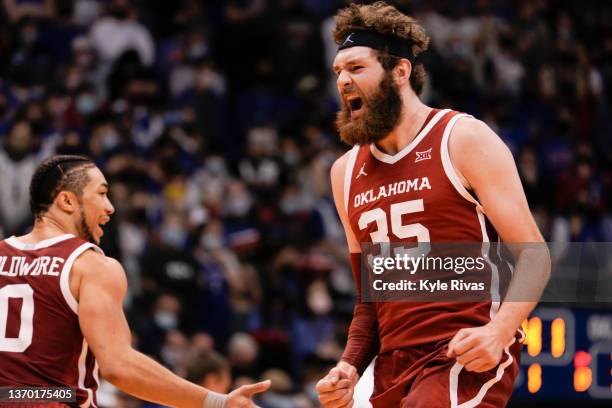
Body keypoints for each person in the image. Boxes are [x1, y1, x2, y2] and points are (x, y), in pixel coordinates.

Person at [316, 2, 550, 408]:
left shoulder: (461, 138)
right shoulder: (344, 173)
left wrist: (498, 332)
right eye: (338, 71)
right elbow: (369, 300)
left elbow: (535, 255)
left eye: (356, 68)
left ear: (400, 72)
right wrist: (350, 366)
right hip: (392, 365)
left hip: (463, 350)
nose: (343, 80)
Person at [0, 155, 270, 407]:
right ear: (67, 201)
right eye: (102, 194)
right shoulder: (90, 265)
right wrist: (216, 402)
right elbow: (120, 367)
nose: (110, 207)